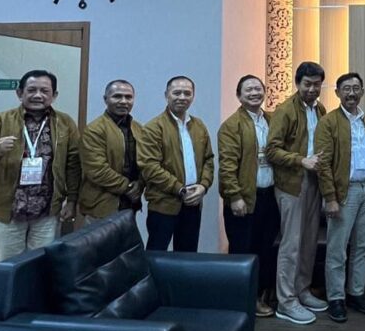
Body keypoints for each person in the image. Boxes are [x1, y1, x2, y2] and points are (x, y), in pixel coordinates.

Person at [0, 69, 80, 275]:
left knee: (41, 270)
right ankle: (2, 299)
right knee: (4, 271)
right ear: (20, 93)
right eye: (31, 90)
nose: (38, 95)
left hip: (47, 212)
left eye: (44, 91)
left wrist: (72, 200)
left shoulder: (65, 123)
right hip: (7, 211)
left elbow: (73, 164)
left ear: (54, 95)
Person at [266, 61, 328, 325]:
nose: (312, 89)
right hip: (292, 184)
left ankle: (302, 290)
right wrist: (301, 160)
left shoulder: (320, 109)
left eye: (317, 85)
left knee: (309, 241)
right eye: (307, 84)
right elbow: (271, 150)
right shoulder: (285, 110)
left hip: (314, 181)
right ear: (297, 83)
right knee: (291, 244)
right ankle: (286, 300)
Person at [315, 73, 365, 323]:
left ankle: (356, 292)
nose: (351, 93)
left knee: (364, 246)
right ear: (337, 93)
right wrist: (330, 197)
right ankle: (336, 297)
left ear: (362, 91)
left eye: (356, 88)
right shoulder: (329, 122)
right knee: (337, 249)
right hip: (344, 192)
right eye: (346, 89)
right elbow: (323, 164)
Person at [218, 74, 280, 318]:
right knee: (243, 251)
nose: (254, 93)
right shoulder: (231, 126)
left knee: (265, 248)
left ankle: (260, 294)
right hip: (244, 199)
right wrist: (235, 196)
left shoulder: (272, 120)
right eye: (248, 90)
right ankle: (243, 299)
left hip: (269, 196)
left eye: (258, 88)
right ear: (239, 96)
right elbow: (227, 165)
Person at [137, 75, 214, 252]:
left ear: (193, 96)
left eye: (187, 93)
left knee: (187, 256)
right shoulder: (153, 127)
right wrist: (180, 189)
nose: (182, 97)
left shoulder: (199, 126)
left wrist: (203, 186)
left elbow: (209, 159)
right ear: (166, 95)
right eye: (176, 93)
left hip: (193, 202)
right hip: (163, 204)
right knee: (157, 255)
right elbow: (149, 167)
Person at [79, 80, 144, 224]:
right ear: (105, 99)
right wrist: (128, 187)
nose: (123, 101)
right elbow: (97, 170)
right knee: (99, 240)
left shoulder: (138, 128)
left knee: (125, 240)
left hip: (129, 204)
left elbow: (145, 162)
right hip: (101, 205)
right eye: (117, 96)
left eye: (128, 97)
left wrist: (140, 184)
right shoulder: (94, 130)